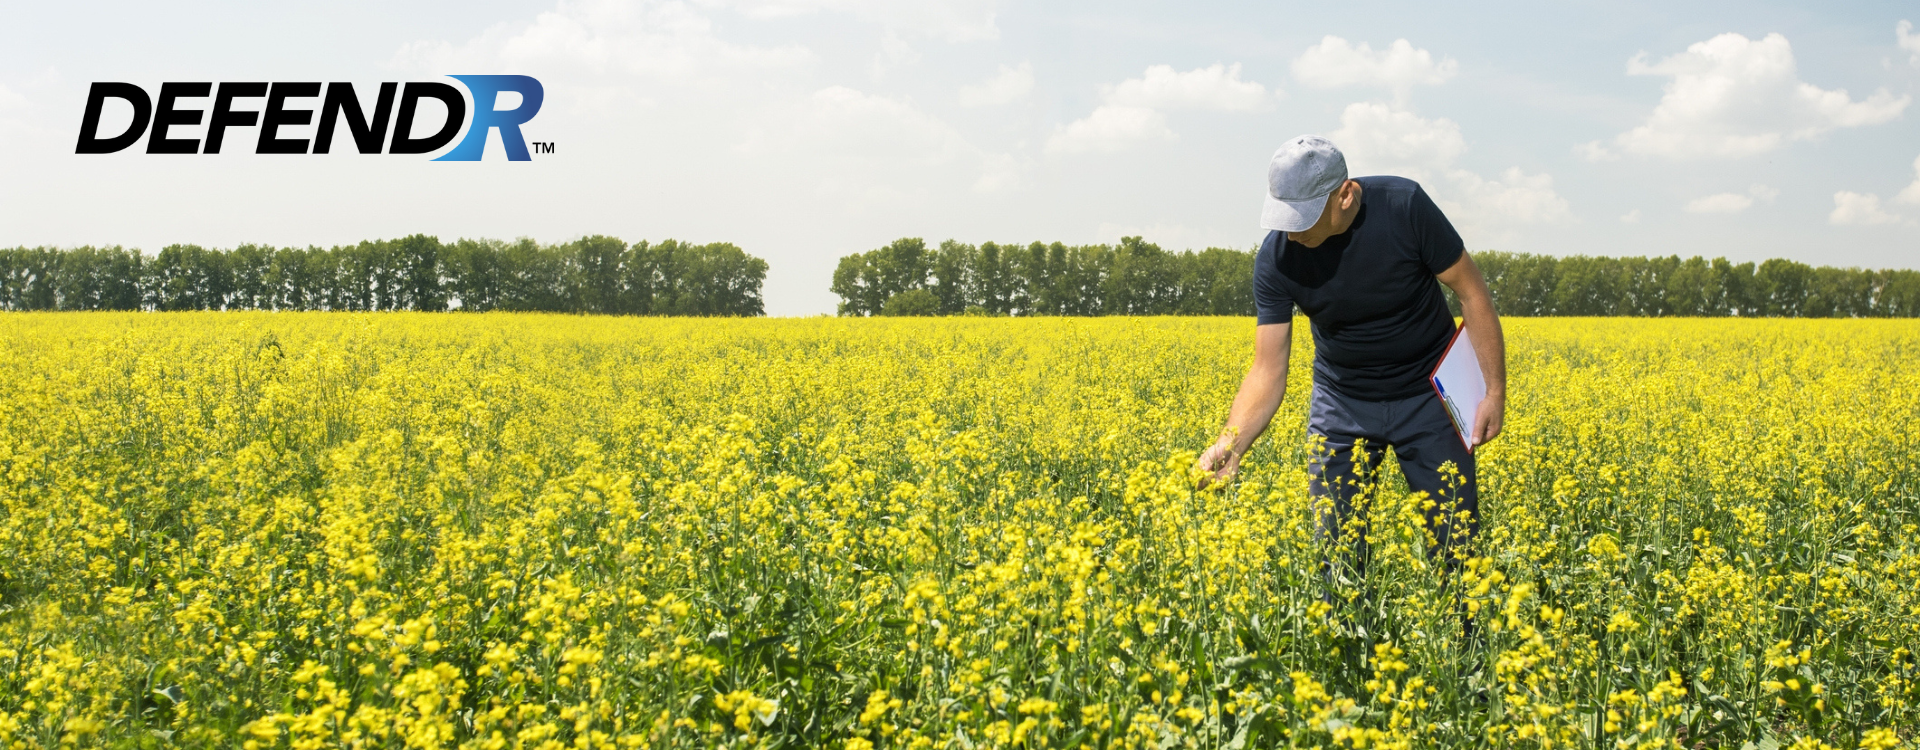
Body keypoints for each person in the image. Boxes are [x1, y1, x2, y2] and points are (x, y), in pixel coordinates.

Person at [1194, 134, 1506, 574]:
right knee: (1336, 559)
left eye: (1302, 218)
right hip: (1342, 404)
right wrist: (1232, 442)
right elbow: (1267, 368)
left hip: (1430, 397)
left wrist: (1493, 391)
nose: (1291, 232)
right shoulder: (1276, 259)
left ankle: (1460, 620)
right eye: (1283, 216)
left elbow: (1472, 293)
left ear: (1344, 195)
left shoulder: (1404, 206)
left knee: (1456, 549)